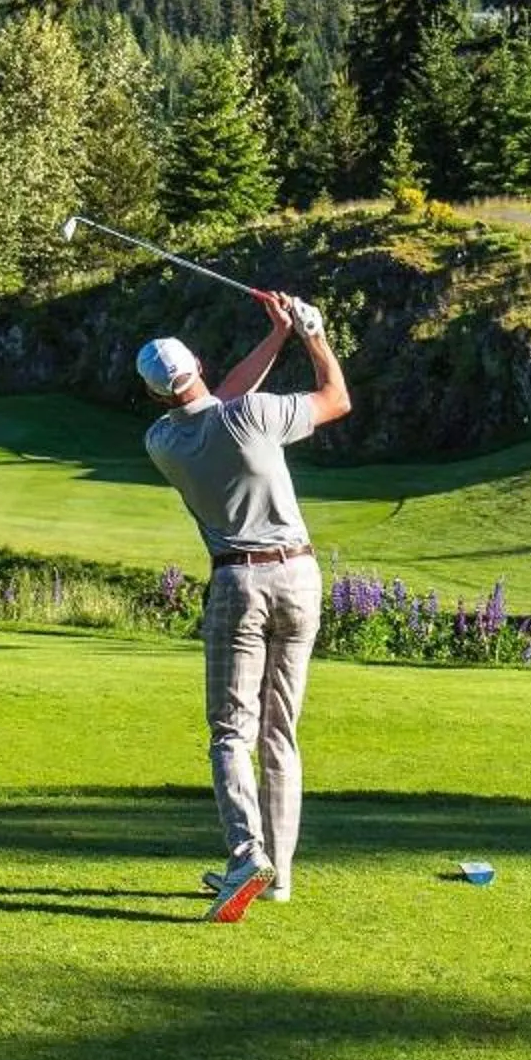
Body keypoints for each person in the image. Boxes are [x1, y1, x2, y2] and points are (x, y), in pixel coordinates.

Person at [139, 287, 350, 923]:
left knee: (232, 731)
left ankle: (246, 857)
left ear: (155, 392)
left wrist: (279, 335)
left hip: (238, 584)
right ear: (197, 363)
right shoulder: (253, 414)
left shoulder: (162, 442)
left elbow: (211, 401)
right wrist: (311, 334)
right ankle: (277, 876)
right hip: (301, 576)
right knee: (280, 732)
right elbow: (336, 399)